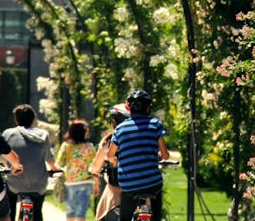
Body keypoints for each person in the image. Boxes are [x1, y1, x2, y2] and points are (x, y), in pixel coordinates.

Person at [108, 90, 170, 221]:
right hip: (152, 182)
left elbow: (110, 155)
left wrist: (116, 161)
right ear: (148, 108)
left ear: (129, 109)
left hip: (129, 183)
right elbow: (165, 155)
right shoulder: (155, 124)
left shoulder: (120, 129)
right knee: (157, 214)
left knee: (124, 217)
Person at [2, 104, 60, 221]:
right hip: (38, 184)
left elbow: (1, 157)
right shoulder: (43, 135)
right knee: (37, 209)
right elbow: (49, 159)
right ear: (33, 119)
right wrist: (55, 169)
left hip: (15, 183)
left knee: (10, 206)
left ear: (16, 120)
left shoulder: (8, 134)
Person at [89, 103, 131, 221]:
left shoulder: (109, 141)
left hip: (115, 193)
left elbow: (96, 166)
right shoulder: (141, 137)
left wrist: (95, 174)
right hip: (139, 189)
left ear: (114, 122)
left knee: (103, 214)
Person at [56, 119, 97, 221]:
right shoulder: (90, 147)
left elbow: (59, 163)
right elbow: (95, 166)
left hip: (71, 182)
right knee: (81, 212)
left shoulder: (66, 146)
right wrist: (97, 183)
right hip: (87, 181)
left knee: (70, 212)